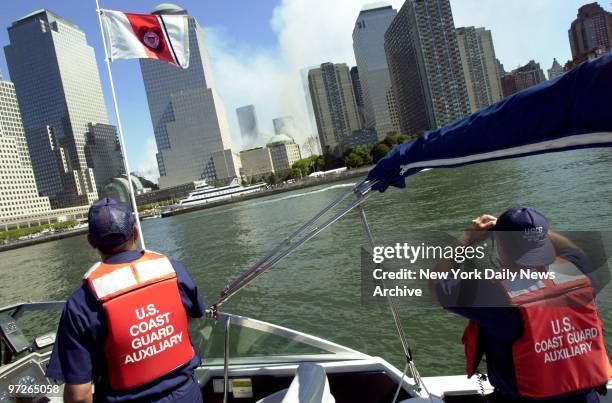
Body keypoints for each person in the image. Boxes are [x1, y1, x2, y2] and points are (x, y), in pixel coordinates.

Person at [434, 206, 610, 403]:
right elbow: (572, 250)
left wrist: (465, 238)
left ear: (500, 246)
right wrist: (534, 231)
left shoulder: (493, 293)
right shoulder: (578, 270)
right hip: (586, 398)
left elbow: (439, 284)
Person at [46, 198, 206, 403]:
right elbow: (192, 314)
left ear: (91, 242)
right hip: (188, 395)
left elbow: (79, 394)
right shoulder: (173, 270)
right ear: (136, 232)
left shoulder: (81, 303)